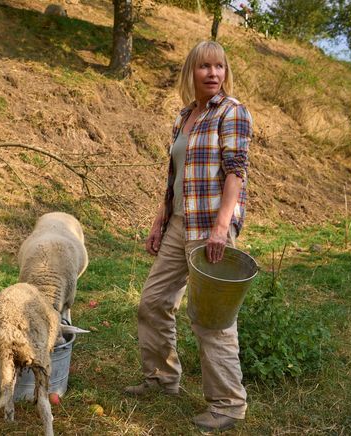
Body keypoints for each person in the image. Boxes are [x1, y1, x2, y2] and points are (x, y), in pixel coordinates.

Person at [123, 40, 252, 432]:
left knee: (211, 319)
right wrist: (160, 220)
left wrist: (221, 227)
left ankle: (229, 404)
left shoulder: (232, 112)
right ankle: (162, 378)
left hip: (211, 226)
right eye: (204, 67)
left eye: (219, 67)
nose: (213, 74)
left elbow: (236, 172)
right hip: (180, 223)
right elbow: (175, 178)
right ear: (190, 73)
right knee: (154, 301)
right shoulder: (185, 117)